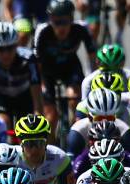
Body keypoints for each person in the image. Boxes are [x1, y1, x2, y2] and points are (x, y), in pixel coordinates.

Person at [34, 0, 97, 129]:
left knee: (74, 99)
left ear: (72, 19)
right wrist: (41, 85)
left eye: (65, 22)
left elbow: (92, 57)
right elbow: (36, 63)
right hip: (47, 71)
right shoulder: (42, 31)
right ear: (50, 20)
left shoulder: (81, 28)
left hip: (70, 68)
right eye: (57, 22)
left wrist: (91, 80)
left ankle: (75, 130)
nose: (61, 27)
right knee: (50, 117)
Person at [0, 22, 43, 128]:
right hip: (0, 95)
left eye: (10, 48)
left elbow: (36, 87)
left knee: (28, 127)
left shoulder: (28, 58)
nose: (6, 54)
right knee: (2, 122)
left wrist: (37, 114)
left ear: (16, 45)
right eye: (0, 49)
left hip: (23, 95)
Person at [14, 114, 73, 184]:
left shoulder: (60, 158)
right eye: (29, 143)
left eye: (40, 143)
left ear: (46, 142)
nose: (34, 149)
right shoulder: (12, 158)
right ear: (20, 143)